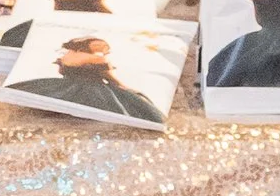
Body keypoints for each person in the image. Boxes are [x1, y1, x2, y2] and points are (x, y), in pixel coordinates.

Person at [9, 30, 165, 125]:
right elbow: (110, 78)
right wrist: (124, 87)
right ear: (87, 44)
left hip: (68, 86)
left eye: (105, 48)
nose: (103, 50)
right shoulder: (97, 59)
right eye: (99, 46)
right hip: (94, 90)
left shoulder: (69, 56)